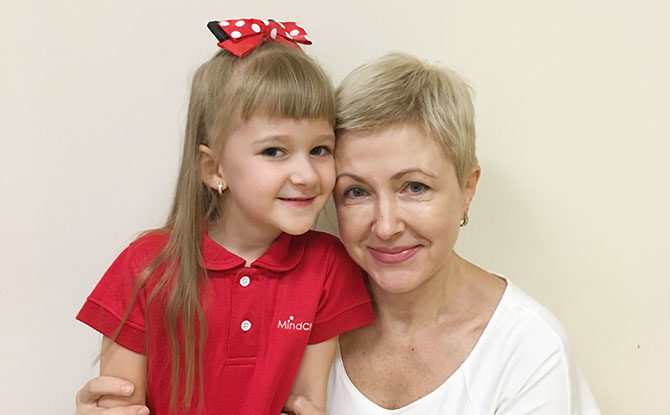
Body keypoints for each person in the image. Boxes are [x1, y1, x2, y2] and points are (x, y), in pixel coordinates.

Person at [75, 52, 601, 415]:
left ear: (466, 190)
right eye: (355, 192)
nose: (387, 225)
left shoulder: (528, 349)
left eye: (415, 187)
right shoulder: (305, 295)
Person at [74, 18, 374, 415]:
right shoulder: (145, 266)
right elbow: (119, 404)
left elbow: (304, 404)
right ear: (214, 168)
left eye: (320, 149)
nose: (305, 175)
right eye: (274, 151)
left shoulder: (328, 266)